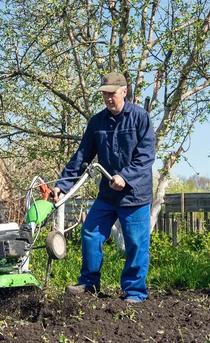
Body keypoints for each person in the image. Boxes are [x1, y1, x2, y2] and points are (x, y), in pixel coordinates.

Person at [51, 72, 156, 303]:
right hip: (108, 196)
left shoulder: (140, 118)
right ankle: (89, 284)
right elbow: (82, 156)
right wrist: (62, 185)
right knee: (90, 232)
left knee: (136, 244)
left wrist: (125, 177)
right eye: (105, 94)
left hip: (135, 195)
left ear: (124, 92)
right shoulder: (97, 122)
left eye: (112, 93)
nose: (109, 98)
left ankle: (134, 292)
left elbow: (146, 157)